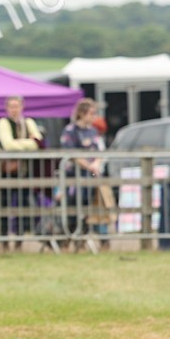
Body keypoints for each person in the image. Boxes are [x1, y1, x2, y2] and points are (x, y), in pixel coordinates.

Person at [0, 95, 43, 239]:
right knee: (4, 204)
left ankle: (20, 237)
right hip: (7, 172)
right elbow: (7, 145)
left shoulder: (28, 122)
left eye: (17, 106)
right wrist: (28, 143)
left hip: (25, 171)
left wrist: (19, 143)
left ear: (22, 107)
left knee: (25, 204)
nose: (14, 109)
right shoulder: (3, 122)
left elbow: (38, 143)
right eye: (11, 106)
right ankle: (3, 237)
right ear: (7, 108)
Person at [60, 98, 104, 238]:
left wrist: (96, 163)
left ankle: (84, 237)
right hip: (74, 176)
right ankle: (69, 236)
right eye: (92, 113)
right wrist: (89, 165)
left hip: (90, 176)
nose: (94, 116)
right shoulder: (70, 130)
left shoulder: (93, 131)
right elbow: (71, 154)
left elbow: (99, 151)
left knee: (89, 206)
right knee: (72, 206)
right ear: (82, 113)